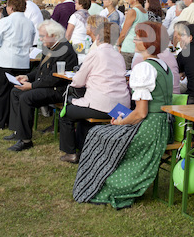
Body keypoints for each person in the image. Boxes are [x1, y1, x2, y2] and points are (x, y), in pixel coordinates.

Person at [73, 22, 173, 209]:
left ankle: (101, 181)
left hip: (149, 128)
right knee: (101, 132)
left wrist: (121, 122)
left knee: (97, 134)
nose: (134, 40)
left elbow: (141, 113)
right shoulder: (163, 66)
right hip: (164, 125)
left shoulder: (144, 68)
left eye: (138, 37)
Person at [59, 17, 130, 163]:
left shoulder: (96, 53)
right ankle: (85, 149)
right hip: (121, 107)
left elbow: (78, 81)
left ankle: (70, 152)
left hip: (102, 105)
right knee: (84, 117)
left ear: (97, 36)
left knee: (67, 113)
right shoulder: (118, 55)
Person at [6, 20, 78, 151]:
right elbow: (41, 70)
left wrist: (32, 86)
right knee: (15, 92)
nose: (40, 38)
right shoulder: (50, 47)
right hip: (48, 86)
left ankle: (26, 140)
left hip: (58, 90)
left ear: (54, 35)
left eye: (43, 36)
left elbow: (54, 78)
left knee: (26, 96)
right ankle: (18, 131)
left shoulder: (65, 49)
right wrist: (27, 77)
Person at [0, 0, 35, 125]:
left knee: (2, 92)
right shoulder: (29, 23)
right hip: (22, 61)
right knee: (17, 93)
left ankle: (0, 121)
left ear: (10, 7)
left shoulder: (5, 21)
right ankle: (14, 119)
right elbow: (31, 41)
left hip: (6, 60)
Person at [117, 0, 148, 69]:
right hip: (139, 48)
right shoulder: (145, 12)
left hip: (128, 48)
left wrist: (117, 44)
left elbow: (124, 32)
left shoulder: (133, 12)